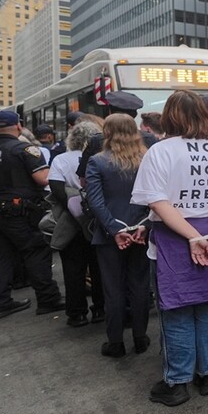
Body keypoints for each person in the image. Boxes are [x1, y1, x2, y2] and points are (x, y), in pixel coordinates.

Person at [132, 91, 208, 406]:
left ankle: (177, 381)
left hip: (175, 235)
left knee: (176, 308)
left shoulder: (160, 151)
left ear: (170, 116)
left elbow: (158, 202)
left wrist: (193, 237)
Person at [0, 110, 65, 319]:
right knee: (35, 250)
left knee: (1, 254)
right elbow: (43, 179)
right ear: (19, 126)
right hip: (20, 210)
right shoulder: (25, 149)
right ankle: (48, 299)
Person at [85, 114, 151, 358]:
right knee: (140, 286)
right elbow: (157, 197)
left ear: (107, 133)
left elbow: (95, 201)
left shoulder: (97, 161)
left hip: (109, 234)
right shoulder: (147, 159)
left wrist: (115, 229)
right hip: (141, 231)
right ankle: (140, 337)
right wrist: (143, 225)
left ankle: (115, 342)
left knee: (113, 289)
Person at [48, 120, 104, 327]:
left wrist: (74, 209)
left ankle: (77, 313)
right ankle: (100, 308)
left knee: (73, 268)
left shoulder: (61, 159)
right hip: (97, 219)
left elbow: (55, 187)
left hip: (69, 221)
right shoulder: (101, 156)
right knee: (99, 266)